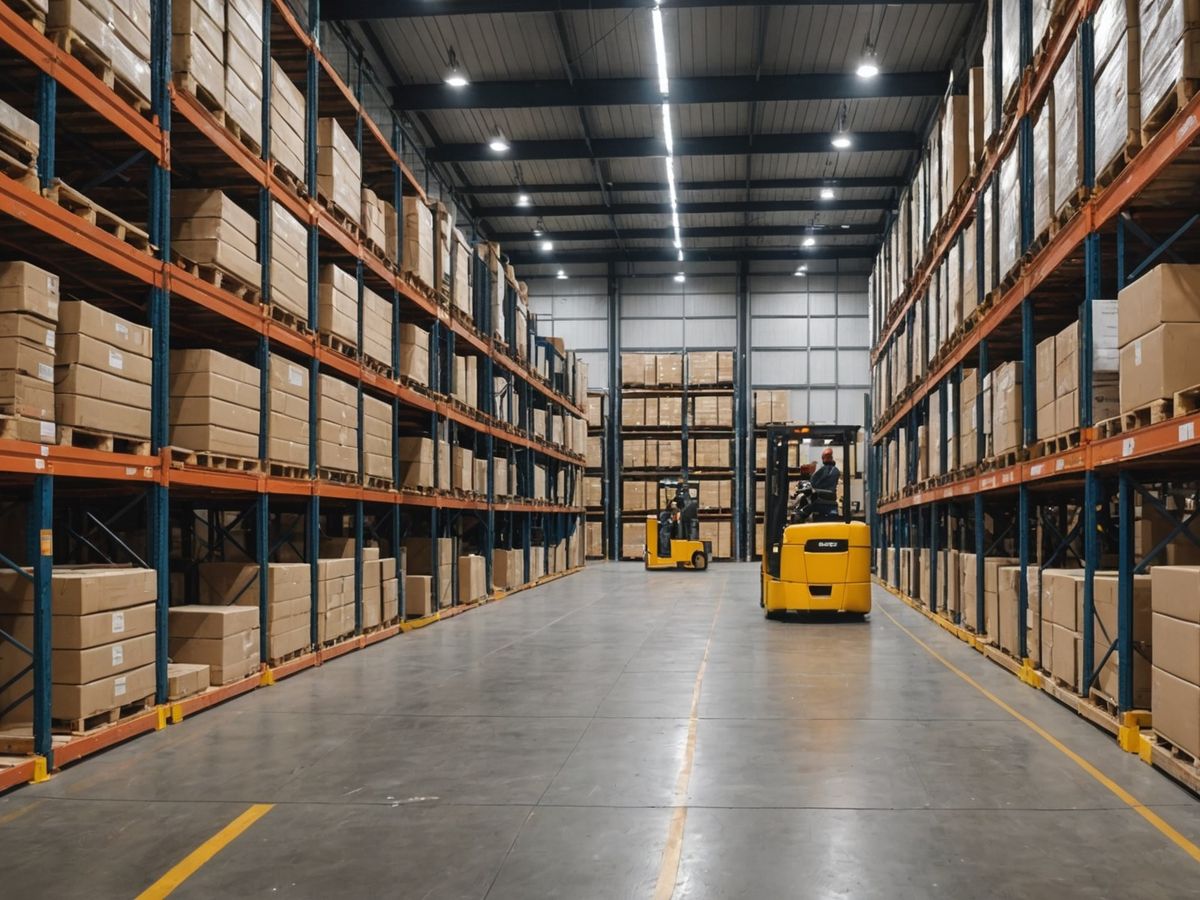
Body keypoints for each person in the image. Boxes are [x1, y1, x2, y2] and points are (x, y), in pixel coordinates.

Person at [809, 447, 841, 520]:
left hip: (823, 498)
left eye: (825, 457)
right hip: (827, 497)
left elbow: (813, 484)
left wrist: (811, 474)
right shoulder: (834, 470)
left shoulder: (825, 470)